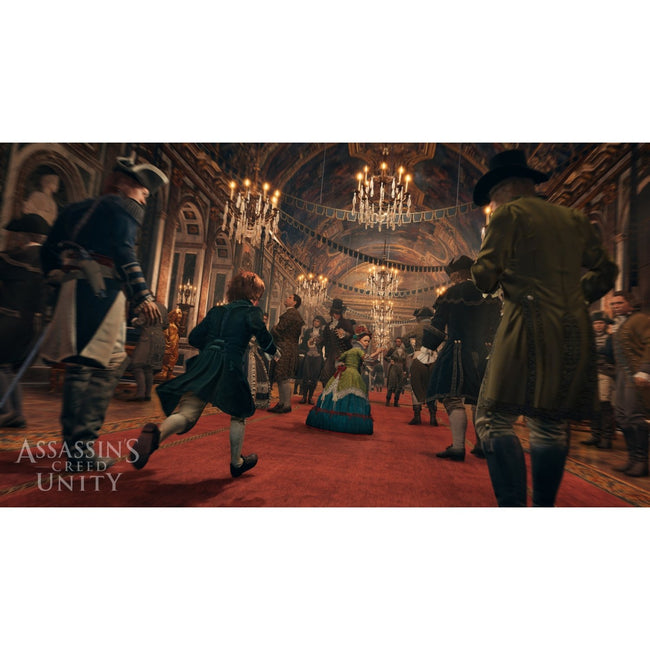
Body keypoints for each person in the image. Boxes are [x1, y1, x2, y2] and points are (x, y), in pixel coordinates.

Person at [471, 149, 618, 506]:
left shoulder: (508, 215)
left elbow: (484, 276)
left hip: (525, 323)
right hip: (573, 328)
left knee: (492, 417)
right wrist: (574, 297)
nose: (492, 204)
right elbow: (606, 272)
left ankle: (513, 507)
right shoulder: (574, 218)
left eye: (492, 198)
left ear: (503, 189)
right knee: (549, 422)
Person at [40, 156, 168, 472]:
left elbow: (48, 251)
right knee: (95, 367)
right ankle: (81, 449)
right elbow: (125, 251)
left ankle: (75, 446)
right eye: (142, 192)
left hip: (71, 292)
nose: (144, 200)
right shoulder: (123, 208)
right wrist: (143, 294)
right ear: (125, 184)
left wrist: (56, 275)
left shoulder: (74, 209)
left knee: (86, 365)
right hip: (101, 294)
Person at [129, 270, 280, 476]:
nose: (258, 299)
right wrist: (273, 351)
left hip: (205, 364)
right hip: (230, 366)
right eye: (258, 294)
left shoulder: (217, 311)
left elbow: (194, 338)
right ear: (253, 294)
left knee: (187, 414)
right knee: (239, 413)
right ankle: (236, 463)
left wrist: (211, 349)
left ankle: (156, 435)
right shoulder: (251, 312)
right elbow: (263, 336)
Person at [424, 256, 502, 459]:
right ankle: (482, 444)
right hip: (484, 352)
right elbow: (497, 327)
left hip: (457, 349)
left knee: (452, 398)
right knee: (479, 398)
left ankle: (458, 447)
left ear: (456, 274)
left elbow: (437, 324)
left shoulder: (452, 293)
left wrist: (428, 346)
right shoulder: (489, 295)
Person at [0, 214, 50, 428]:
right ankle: (17, 414)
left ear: (24, 235)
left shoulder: (18, 256)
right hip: (36, 325)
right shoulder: (49, 260)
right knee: (10, 369)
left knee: (2, 366)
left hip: (13, 320)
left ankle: (6, 411)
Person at [306, 324, 379, 435]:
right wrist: (378, 352)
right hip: (353, 374)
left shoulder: (349, 351)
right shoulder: (358, 350)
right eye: (365, 341)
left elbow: (338, 360)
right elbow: (369, 361)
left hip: (343, 373)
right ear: (359, 340)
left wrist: (341, 366)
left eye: (368, 341)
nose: (367, 343)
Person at [608, 290, 650, 476]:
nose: (615, 306)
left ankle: (641, 461)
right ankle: (632, 459)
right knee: (622, 416)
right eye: (613, 304)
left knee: (634, 416)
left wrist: (645, 370)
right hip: (621, 375)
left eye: (619, 303)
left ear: (630, 303)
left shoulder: (639, 319)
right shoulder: (620, 324)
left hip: (636, 374)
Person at [580, 311, 617, 449]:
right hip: (590, 374)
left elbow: (614, 357)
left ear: (606, 324)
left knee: (604, 404)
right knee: (593, 405)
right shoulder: (588, 339)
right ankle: (595, 435)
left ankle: (607, 437)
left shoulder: (611, 339)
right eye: (595, 323)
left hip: (605, 373)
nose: (598, 325)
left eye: (601, 323)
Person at [267, 293, 304, 413]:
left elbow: (279, 330)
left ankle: (286, 404)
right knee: (281, 376)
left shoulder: (290, 314)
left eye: (290, 298)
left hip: (285, 348)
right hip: (289, 347)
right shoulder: (295, 314)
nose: (286, 298)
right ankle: (282, 403)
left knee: (283, 376)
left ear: (295, 302)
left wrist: (273, 328)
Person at [128, 298, 169, 401]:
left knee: (136, 364)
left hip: (148, 337)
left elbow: (140, 322)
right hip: (160, 338)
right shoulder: (163, 307)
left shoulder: (147, 307)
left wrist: (133, 321)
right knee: (149, 368)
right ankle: (147, 394)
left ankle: (140, 393)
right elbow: (166, 325)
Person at [406, 307, 439, 426]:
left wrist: (411, 352)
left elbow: (405, 337)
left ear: (419, 318)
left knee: (416, 386)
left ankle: (417, 416)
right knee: (432, 387)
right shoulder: (435, 328)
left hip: (419, 356)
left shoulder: (418, 327)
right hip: (433, 358)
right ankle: (433, 417)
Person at [320, 298, 355, 386]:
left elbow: (353, 336)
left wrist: (345, 334)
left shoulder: (346, 323)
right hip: (330, 353)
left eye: (338, 313)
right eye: (334, 313)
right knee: (326, 374)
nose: (336, 315)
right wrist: (317, 340)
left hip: (341, 352)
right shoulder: (328, 325)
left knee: (340, 375)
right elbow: (324, 339)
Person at [160, 306, 182, 380]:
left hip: (175, 344)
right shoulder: (170, 325)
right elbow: (167, 335)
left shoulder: (174, 325)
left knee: (174, 357)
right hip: (171, 344)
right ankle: (165, 372)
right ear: (174, 316)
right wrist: (169, 344)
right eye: (178, 318)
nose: (179, 320)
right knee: (169, 359)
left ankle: (169, 373)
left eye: (180, 318)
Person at [385, 337, 408, 407]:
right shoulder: (392, 349)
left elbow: (405, 362)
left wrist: (405, 370)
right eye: (396, 341)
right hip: (393, 367)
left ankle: (396, 401)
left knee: (399, 386)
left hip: (401, 368)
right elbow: (385, 357)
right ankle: (388, 400)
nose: (397, 343)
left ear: (401, 342)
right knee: (391, 384)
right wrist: (390, 360)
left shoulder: (404, 350)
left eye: (399, 341)